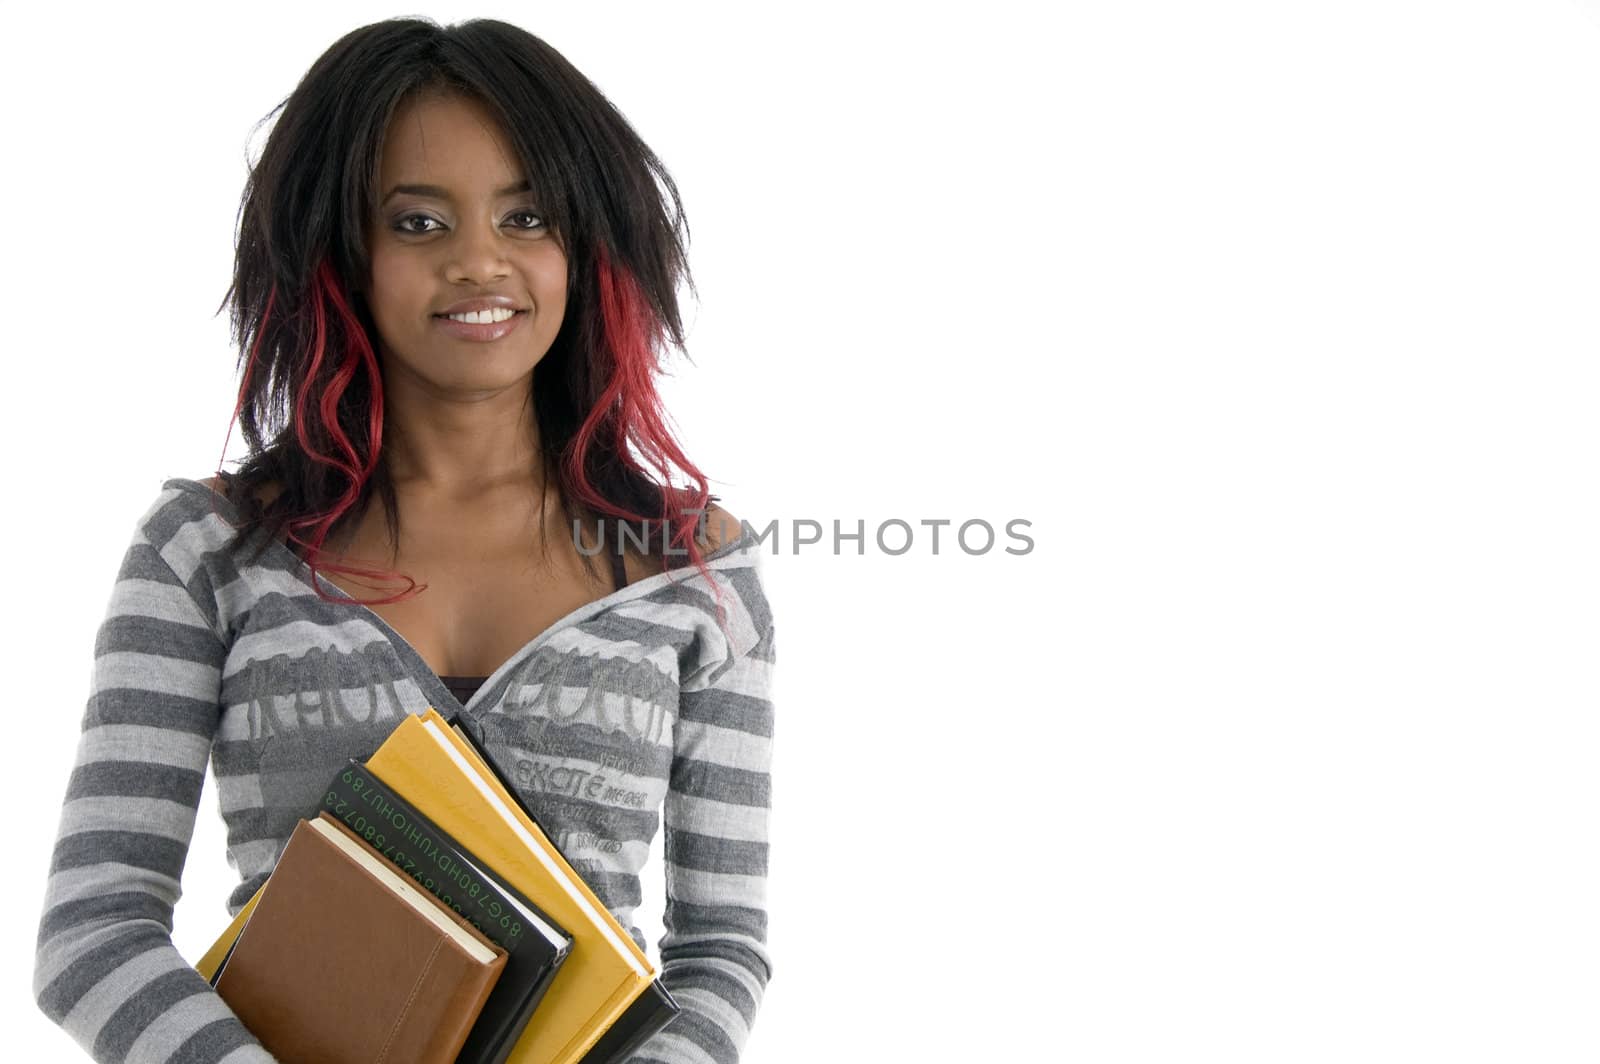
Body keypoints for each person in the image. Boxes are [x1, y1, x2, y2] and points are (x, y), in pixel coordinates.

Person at [31, 16, 775, 1064]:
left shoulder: (698, 569)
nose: (481, 261)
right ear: (339, 250)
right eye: (418, 223)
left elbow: (719, 949)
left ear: (589, 246)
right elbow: (93, 929)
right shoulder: (207, 549)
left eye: (528, 217)